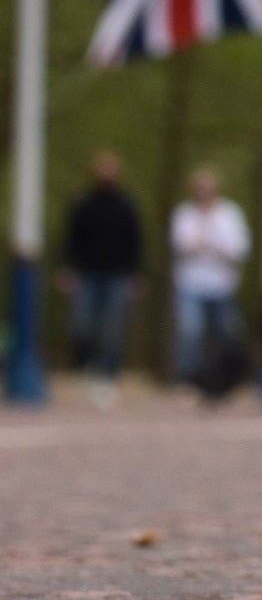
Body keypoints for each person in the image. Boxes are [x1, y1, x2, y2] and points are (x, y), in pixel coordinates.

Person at [58, 151, 143, 409]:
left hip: (117, 275)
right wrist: (68, 269)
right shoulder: (83, 204)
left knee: (112, 329)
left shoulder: (126, 206)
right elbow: (71, 239)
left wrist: (135, 274)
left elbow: (135, 242)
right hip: (87, 274)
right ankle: (88, 365)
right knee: (82, 326)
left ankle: (107, 376)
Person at [169, 168, 252, 396]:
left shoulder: (229, 214)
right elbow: (181, 245)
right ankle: (187, 379)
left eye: (207, 188)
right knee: (190, 331)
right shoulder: (184, 214)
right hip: (190, 283)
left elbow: (239, 248)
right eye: (199, 188)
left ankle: (223, 382)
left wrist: (211, 245)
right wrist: (204, 240)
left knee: (224, 334)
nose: (203, 193)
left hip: (222, 285)